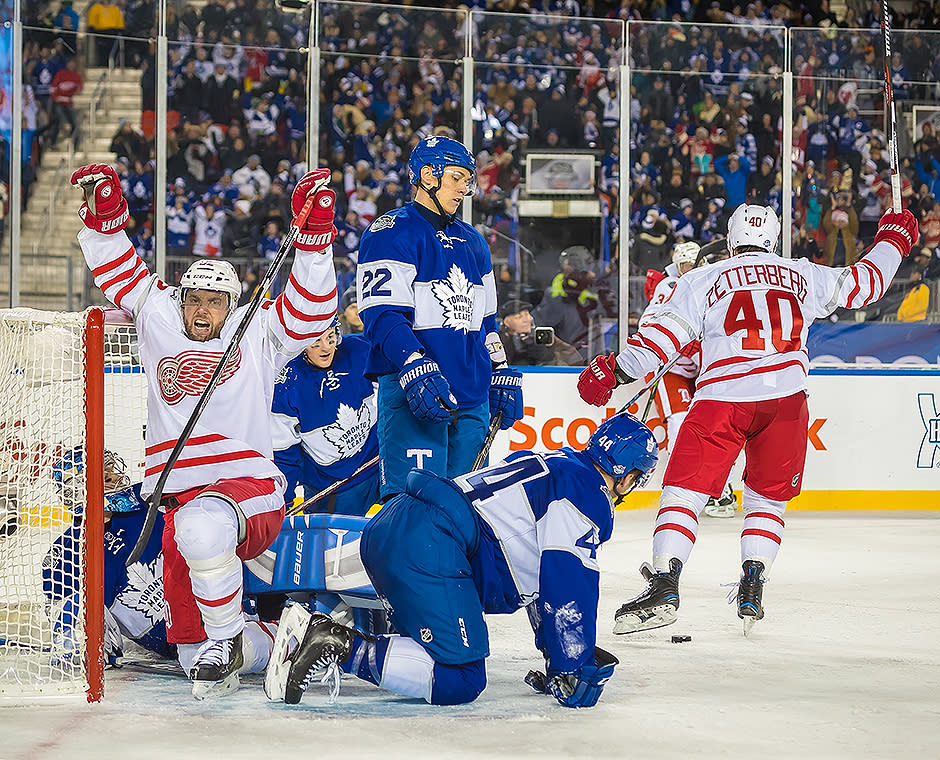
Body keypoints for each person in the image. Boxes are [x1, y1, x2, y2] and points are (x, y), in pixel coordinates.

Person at [576, 204, 918, 634]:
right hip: (787, 402)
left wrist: (614, 371)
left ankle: (665, 585)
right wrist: (892, 241)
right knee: (767, 500)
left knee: (684, 494)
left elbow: (659, 341)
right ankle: (753, 585)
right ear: (774, 240)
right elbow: (866, 284)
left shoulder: (701, 278)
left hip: (723, 397)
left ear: (730, 238)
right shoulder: (803, 273)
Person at [71, 161, 338, 699]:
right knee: (194, 651)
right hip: (179, 501)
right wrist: (105, 222)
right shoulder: (160, 317)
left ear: (231, 305)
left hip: (249, 491)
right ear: (182, 298)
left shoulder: (257, 329)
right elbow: (120, 272)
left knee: (200, 525)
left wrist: (312, 241)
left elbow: (310, 313)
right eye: (195, 298)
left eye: (215, 302)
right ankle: (301, 639)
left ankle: (225, 640)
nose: (202, 309)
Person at [264, 413, 659, 708]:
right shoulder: (586, 492)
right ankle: (336, 642)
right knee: (461, 679)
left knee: (419, 642)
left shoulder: (555, 464)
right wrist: (573, 663)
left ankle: (321, 627)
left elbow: (541, 585)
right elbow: (567, 585)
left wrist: (556, 656)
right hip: (432, 546)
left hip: (395, 523)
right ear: (626, 473)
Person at [356, 136, 524, 499]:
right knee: (414, 509)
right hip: (414, 389)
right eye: (457, 178)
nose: (465, 189)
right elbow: (382, 315)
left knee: (468, 510)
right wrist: (413, 363)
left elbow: (487, 322)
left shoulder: (474, 241)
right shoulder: (391, 231)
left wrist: (500, 368)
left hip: (471, 394)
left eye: (468, 180)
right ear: (428, 176)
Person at [640, 241, 737, 518]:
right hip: (672, 368)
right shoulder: (669, 286)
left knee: (719, 424)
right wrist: (680, 342)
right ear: (678, 266)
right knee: (681, 423)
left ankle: (718, 486)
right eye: (686, 265)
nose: (691, 269)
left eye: (696, 263)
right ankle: (684, 488)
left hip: (706, 366)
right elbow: (646, 324)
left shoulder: (717, 284)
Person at [271, 320, 380, 516]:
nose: (326, 348)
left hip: (377, 464)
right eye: (316, 342)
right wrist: (283, 502)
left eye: (331, 338)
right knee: (332, 547)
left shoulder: (359, 348)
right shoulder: (286, 383)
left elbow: (392, 393)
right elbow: (284, 451)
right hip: (333, 487)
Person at [498, 299, 583, 366]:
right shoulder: (499, 339)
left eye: (527, 314)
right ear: (507, 322)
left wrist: (548, 355)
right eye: (519, 317)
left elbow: (575, 359)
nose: (526, 320)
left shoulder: (542, 335)